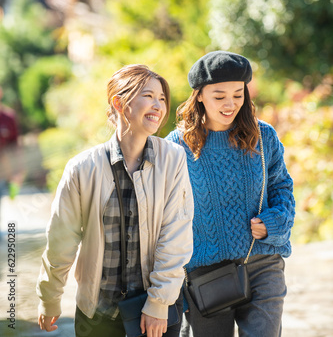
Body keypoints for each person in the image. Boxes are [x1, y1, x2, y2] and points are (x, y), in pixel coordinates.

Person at [37, 64, 194, 337]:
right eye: (148, 96)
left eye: (162, 98)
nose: (158, 105)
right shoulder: (83, 168)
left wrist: (158, 303)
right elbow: (62, 238)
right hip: (98, 314)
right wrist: (50, 296)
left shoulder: (173, 158)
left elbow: (176, 234)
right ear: (119, 103)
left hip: (154, 311)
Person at [166, 51, 295, 337]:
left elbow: (281, 186)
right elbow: (163, 213)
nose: (230, 104)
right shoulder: (176, 147)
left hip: (262, 263)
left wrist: (273, 224)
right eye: (219, 96)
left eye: (238, 95)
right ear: (199, 95)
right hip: (205, 272)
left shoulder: (264, 136)